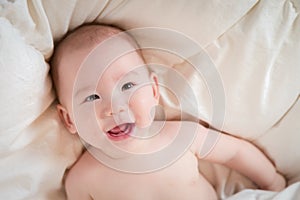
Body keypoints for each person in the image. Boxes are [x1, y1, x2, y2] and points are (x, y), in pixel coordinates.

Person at [51, 24, 286, 200]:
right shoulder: (82, 180)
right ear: (69, 119)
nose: (115, 107)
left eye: (127, 86)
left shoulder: (181, 136)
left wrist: (272, 181)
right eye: (91, 97)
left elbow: (234, 152)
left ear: (154, 91)